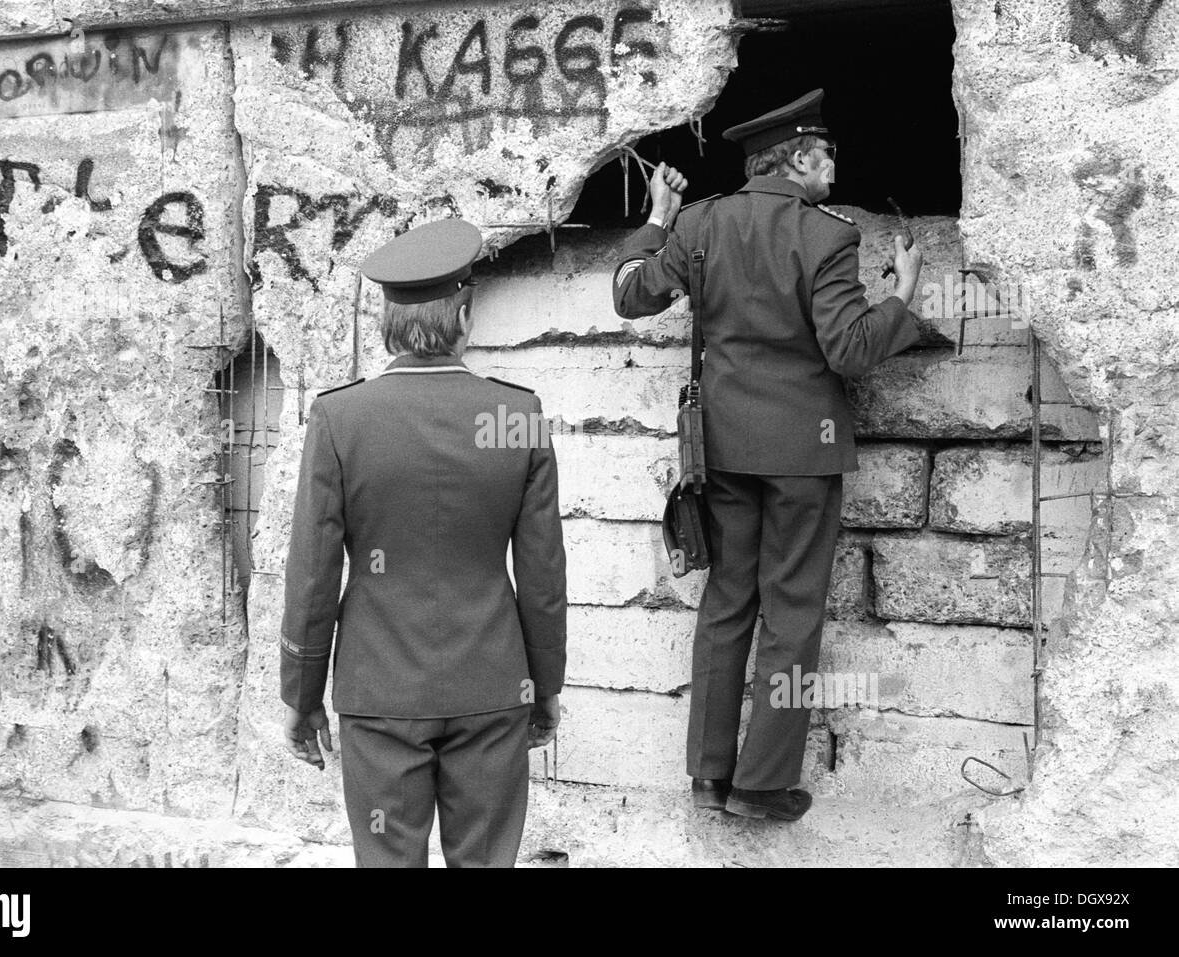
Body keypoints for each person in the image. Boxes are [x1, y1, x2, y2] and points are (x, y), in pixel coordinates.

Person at [612, 89, 924, 821]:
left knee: (727, 601)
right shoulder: (828, 236)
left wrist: (656, 215)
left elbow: (630, 295)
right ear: (798, 159)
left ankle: (708, 776)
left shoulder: (701, 222)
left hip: (722, 452)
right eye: (828, 158)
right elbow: (848, 349)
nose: (833, 170)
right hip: (801, 459)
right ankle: (761, 783)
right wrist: (903, 296)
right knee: (790, 613)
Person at [279, 218, 568, 866]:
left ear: (389, 322)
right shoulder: (517, 416)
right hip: (491, 687)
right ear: (464, 316)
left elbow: (312, 578)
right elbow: (544, 574)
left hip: (380, 692)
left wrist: (301, 696)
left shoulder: (340, 419)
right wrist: (545, 687)